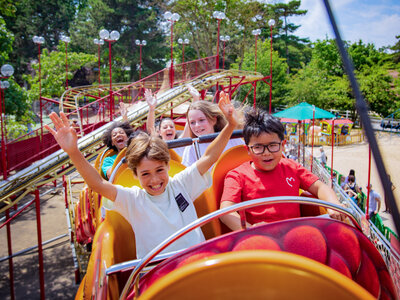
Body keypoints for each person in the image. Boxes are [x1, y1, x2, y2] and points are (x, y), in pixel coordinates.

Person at [44, 93, 238, 258]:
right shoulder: (133, 199)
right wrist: (73, 152)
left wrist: (230, 125)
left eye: (159, 171)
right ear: (135, 174)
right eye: (145, 173)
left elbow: (210, 157)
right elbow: (98, 185)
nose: (154, 180)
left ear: (168, 167)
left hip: (195, 259)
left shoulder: (180, 184)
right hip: (156, 270)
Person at [219, 109, 344, 231]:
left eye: (273, 146)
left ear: (283, 145)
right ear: (248, 150)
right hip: (260, 239)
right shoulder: (237, 176)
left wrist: (334, 204)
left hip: (293, 233)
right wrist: (251, 229)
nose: (266, 153)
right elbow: (225, 212)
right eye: (258, 147)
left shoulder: (292, 167)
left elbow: (320, 187)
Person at [181, 99, 245, 167]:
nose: (197, 125)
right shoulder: (191, 148)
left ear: (214, 120)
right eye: (192, 122)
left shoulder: (232, 139)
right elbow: (188, 174)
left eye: (201, 120)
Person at [144, 85, 200, 156]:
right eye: (165, 127)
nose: (169, 128)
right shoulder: (158, 145)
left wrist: (196, 99)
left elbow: (189, 122)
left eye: (171, 126)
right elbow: (150, 129)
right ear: (159, 132)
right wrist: (151, 108)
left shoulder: (180, 144)